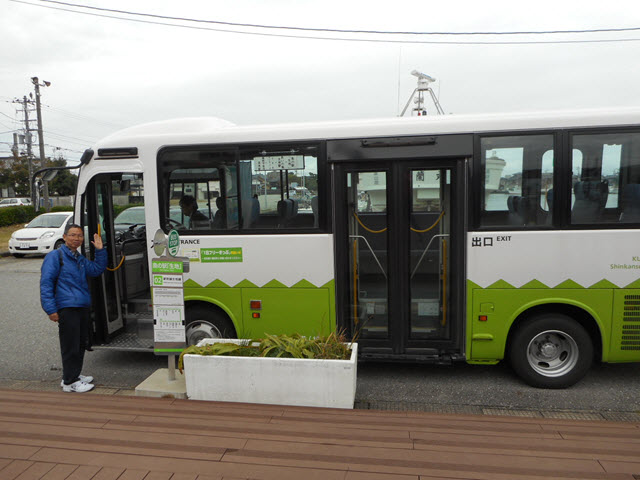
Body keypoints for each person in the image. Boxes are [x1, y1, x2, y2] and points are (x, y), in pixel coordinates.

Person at [40, 224, 107, 393]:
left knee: (80, 343)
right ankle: (70, 382)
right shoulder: (56, 256)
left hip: (81, 305)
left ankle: (73, 375)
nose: (76, 238)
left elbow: (96, 269)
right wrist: (51, 309)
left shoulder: (78, 257)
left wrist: (100, 250)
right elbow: (46, 284)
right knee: (70, 345)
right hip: (67, 307)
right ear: (64, 237)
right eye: (72, 235)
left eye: (79, 236)